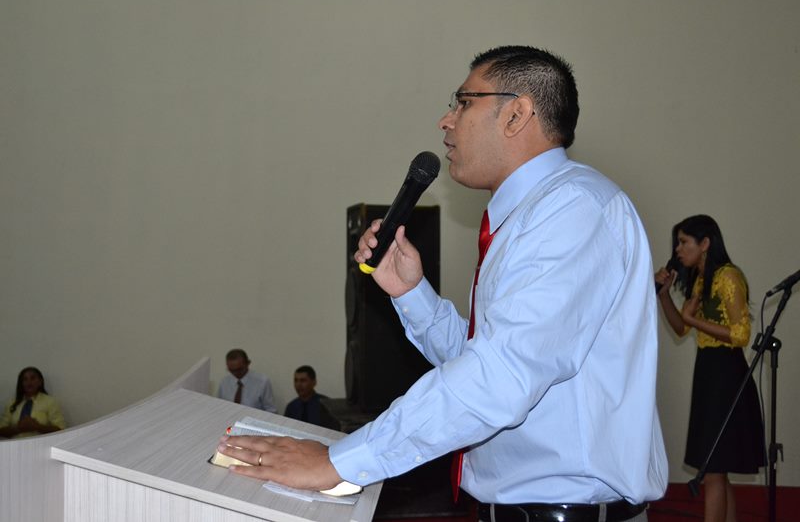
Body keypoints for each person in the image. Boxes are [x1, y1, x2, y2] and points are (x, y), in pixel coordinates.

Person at [217, 45, 667, 521]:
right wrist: (412, 293)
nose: (446, 120)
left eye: (464, 102)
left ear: (516, 114)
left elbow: (499, 377)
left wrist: (338, 463)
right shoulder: (530, 215)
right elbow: (482, 359)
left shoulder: (574, 210)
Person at [655, 215, 764, 522]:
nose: (678, 250)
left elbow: (741, 334)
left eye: (684, 242)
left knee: (713, 469)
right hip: (708, 371)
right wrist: (664, 296)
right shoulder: (701, 279)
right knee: (717, 468)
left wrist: (693, 319)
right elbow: (681, 329)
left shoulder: (728, 276)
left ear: (705, 243)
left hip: (727, 374)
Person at [0, 366, 66, 438]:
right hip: (15, 444)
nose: (29, 382)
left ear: (40, 382)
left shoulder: (50, 402)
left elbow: (61, 430)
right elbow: (1, 430)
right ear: (21, 383)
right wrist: (18, 428)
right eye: (25, 379)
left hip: (41, 444)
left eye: (33, 378)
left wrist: (38, 427)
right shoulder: (11, 403)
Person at [217, 349, 277, 413]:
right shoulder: (224, 382)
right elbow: (219, 405)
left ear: (248, 363)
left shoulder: (262, 382)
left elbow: (271, 410)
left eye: (239, 369)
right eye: (231, 370)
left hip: (253, 418)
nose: (235, 373)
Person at [284, 365, 340, 430]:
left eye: (303, 380)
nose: (298, 384)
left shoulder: (326, 405)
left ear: (314, 382)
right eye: (296, 380)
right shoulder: (291, 407)